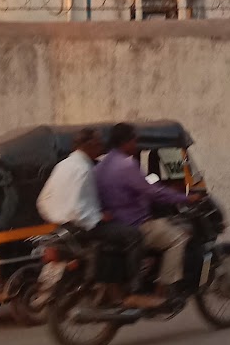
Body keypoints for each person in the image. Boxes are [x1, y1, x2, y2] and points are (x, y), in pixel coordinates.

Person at [34, 127, 142, 306]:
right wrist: (97, 217)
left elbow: (43, 200)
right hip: (84, 227)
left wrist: (60, 216)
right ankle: (134, 287)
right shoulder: (84, 169)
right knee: (134, 236)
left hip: (63, 227)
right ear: (89, 145)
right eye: (98, 144)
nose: (101, 148)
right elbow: (79, 208)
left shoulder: (63, 165)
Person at [94, 123, 195, 306]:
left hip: (115, 225)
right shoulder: (126, 165)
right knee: (178, 238)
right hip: (136, 224)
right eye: (134, 139)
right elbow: (153, 192)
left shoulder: (101, 166)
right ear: (125, 142)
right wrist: (184, 198)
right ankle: (163, 289)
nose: (136, 143)